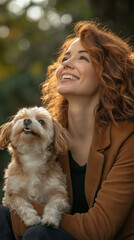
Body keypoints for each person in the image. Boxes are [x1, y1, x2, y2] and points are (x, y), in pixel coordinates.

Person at [0, 20, 134, 240]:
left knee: (39, 234)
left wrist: (24, 215)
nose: (66, 64)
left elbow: (98, 229)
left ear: (108, 73)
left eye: (83, 57)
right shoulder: (47, 136)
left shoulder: (127, 139)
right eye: (65, 58)